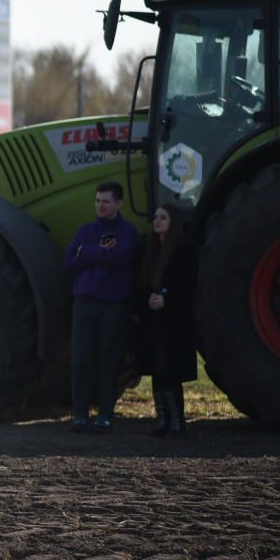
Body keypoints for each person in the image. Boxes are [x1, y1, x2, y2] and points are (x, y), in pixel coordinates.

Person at [65, 181, 141, 432]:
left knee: (108, 359)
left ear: (118, 203)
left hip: (112, 305)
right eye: (97, 200)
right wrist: (97, 253)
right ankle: (79, 413)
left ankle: (105, 413)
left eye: (106, 201)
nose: (100, 205)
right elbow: (69, 263)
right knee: (80, 360)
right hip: (84, 304)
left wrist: (86, 254)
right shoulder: (85, 231)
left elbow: (120, 259)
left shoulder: (127, 232)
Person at [134, 204, 197, 437]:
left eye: (163, 217)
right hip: (153, 321)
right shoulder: (150, 250)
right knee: (156, 368)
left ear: (174, 222)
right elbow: (142, 284)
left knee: (169, 368)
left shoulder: (183, 251)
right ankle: (162, 418)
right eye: (155, 217)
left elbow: (189, 285)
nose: (157, 221)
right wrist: (149, 297)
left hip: (174, 321)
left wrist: (166, 300)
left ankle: (178, 421)